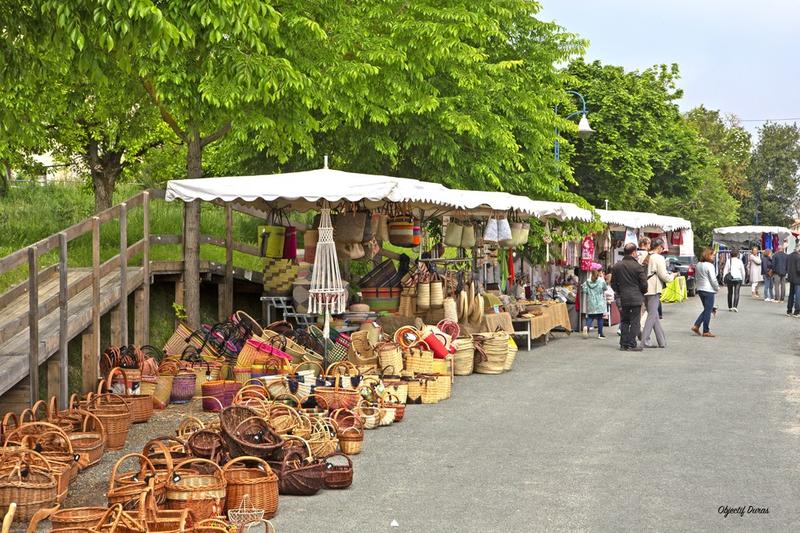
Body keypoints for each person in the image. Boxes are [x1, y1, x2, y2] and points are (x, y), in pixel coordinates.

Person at [611, 243, 647, 351]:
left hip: (623, 297)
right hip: (636, 297)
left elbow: (613, 283)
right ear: (634, 252)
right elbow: (644, 284)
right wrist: (642, 292)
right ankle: (632, 343)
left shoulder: (617, 266)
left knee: (624, 320)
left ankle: (623, 344)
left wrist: (619, 291)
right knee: (635, 321)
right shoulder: (638, 266)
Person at [641, 238, 673, 348]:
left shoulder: (644, 255)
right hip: (653, 288)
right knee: (652, 315)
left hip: (643, 288)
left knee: (653, 314)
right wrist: (672, 276)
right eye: (663, 247)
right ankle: (644, 340)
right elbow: (664, 276)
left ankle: (661, 340)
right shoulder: (658, 258)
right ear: (659, 247)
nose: (663, 250)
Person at [692, 248, 719, 337]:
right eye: (713, 255)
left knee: (707, 309)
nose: (714, 257)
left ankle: (697, 325)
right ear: (708, 255)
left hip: (700, 289)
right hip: (708, 290)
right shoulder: (710, 265)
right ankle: (705, 330)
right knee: (709, 310)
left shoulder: (698, 264)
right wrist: (717, 288)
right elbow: (713, 279)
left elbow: (696, 277)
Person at [581, 268, 609, 339]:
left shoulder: (587, 281)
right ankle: (600, 334)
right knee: (600, 318)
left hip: (591, 301)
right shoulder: (601, 280)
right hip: (599, 302)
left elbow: (584, 290)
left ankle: (586, 328)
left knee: (590, 317)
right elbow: (605, 288)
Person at [787, 242, 800, 317]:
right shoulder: (798, 257)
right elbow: (799, 269)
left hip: (791, 277)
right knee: (798, 295)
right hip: (798, 279)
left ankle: (789, 311)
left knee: (791, 295)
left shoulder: (790, 256)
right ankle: (797, 311)